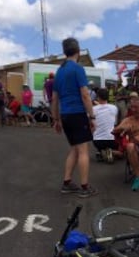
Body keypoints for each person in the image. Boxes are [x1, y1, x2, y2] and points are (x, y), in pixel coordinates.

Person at [51, 37, 97, 198]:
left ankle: (67, 183)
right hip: (77, 114)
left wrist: (56, 119)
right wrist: (92, 117)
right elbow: (85, 95)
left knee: (75, 149)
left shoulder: (60, 71)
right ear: (78, 51)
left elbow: (54, 99)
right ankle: (84, 187)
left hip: (65, 115)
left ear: (65, 52)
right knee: (83, 151)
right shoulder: (77, 69)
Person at [92, 88, 122, 163]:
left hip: (97, 141)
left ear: (98, 97)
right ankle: (112, 152)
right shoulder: (114, 108)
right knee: (122, 153)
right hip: (112, 140)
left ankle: (102, 151)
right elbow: (115, 122)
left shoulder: (93, 109)